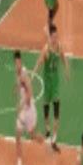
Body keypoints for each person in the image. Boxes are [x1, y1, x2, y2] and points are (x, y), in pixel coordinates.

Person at [33, 24, 69, 152]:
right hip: (47, 82)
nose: (55, 38)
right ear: (50, 36)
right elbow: (39, 62)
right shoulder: (46, 49)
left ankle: (54, 137)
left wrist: (66, 70)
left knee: (57, 107)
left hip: (55, 83)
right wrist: (33, 74)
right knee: (46, 106)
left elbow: (64, 58)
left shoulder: (59, 47)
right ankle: (48, 129)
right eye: (53, 36)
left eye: (56, 36)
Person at [13, 50, 44, 165]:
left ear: (21, 61)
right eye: (15, 63)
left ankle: (45, 142)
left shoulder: (24, 75)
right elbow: (20, 86)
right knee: (18, 135)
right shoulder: (18, 73)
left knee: (33, 136)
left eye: (18, 62)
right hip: (23, 112)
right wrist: (16, 88)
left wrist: (21, 105)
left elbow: (30, 93)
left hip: (29, 110)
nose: (17, 64)